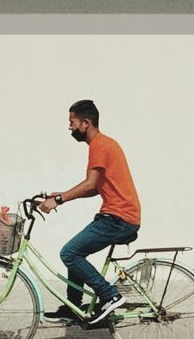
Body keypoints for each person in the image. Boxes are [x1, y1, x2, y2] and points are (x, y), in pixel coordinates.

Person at [39, 99, 141, 325]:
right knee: (77, 252)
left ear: (86, 123)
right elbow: (95, 187)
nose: (70, 127)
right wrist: (63, 194)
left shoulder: (99, 145)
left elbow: (89, 183)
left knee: (69, 253)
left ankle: (110, 295)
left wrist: (58, 199)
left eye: (72, 122)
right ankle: (74, 307)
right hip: (118, 216)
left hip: (118, 218)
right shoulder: (104, 144)